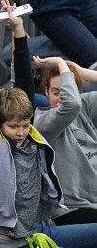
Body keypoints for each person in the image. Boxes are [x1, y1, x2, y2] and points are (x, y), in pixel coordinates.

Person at [0, 4, 97, 247]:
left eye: (25, 126)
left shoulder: (29, 133)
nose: (21, 132)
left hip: (44, 226)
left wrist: (18, 30)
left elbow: (24, 85)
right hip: (18, 240)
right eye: (13, 127)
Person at [33, 56, 97, 225]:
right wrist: (61, 63)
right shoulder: (42, 121)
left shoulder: (84, 106)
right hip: (73, 210)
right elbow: (71, 105)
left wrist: (81, 72)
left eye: (67, 91)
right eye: (55, 92)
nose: (61, 97)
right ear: (46, 92)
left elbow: (75, 104)